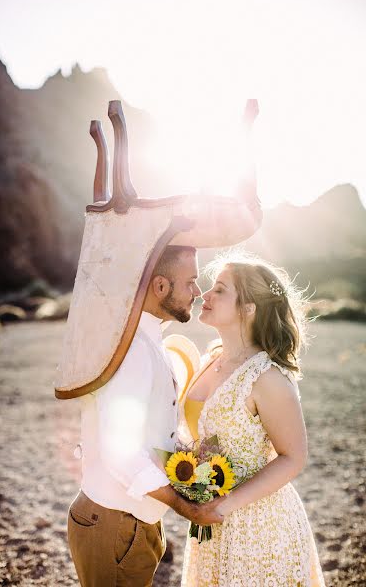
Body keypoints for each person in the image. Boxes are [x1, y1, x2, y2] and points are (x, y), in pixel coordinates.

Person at [67, 245, 223, 587]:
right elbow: (120, 451)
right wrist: (186, 507)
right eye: (191, 281)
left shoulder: (151, 342)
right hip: (115, 522)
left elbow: (154, 431)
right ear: (161, 287)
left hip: (133, 520)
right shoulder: (134, 349)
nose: (197, 291)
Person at [179, 254, 325, 586]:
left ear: (248, 308)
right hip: (209, 521)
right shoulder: (210, 359)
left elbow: (293, 457)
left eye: (220, 290)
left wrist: (224, 505)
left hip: (259, 526)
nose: (205, 295)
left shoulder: (267, 376)